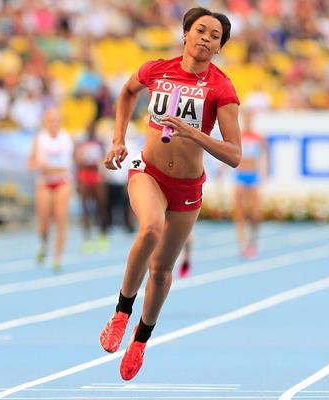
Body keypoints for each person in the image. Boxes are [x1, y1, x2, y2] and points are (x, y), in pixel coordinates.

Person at [99, 7, 241, 380]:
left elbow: (235, 154)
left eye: (215, 36)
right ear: (185, 34)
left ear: (220, 47)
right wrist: (118, 140)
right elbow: (127, 92)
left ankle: (140, 340)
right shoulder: (156, 69)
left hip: (188, 188)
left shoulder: (221, 87)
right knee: (149, 230)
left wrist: (194, 133)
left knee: (161, 271)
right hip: (149, 172)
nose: (206, 38)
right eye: (201, 30)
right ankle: (121, 312)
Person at [27, 107, 74, 272]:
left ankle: (57, 257)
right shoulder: (39, 139)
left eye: (56, 120)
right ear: (45, 122)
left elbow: (69, 165)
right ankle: (44, 243)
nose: (53, 123)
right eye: (50, 120)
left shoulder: (67, 138)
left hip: (62, 182)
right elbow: (31, 163)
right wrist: (38, 166)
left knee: (61, 219)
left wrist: (56, 169)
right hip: (45, 183)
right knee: (44, 223)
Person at [234, 110, 267, 258]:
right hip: (240, 175)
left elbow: (265, 154)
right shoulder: (238, 136)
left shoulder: (258, 137)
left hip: (253, 176)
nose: (247, 120)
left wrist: (264, 173)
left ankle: (253, 241)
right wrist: (221, 171)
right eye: (245, 118)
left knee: (255, 212)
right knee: (239, 211)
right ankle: (243, 244)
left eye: (249, 118)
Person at [74, 120, 108, 253]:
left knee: (101, 206)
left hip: (96, 175)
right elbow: (76, 160)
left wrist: (102, 170)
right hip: (84, 175)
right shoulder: (81, 143)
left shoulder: (99, 143)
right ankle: (87, 238)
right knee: (85, 208)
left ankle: (102, 234)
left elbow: (103, 158)